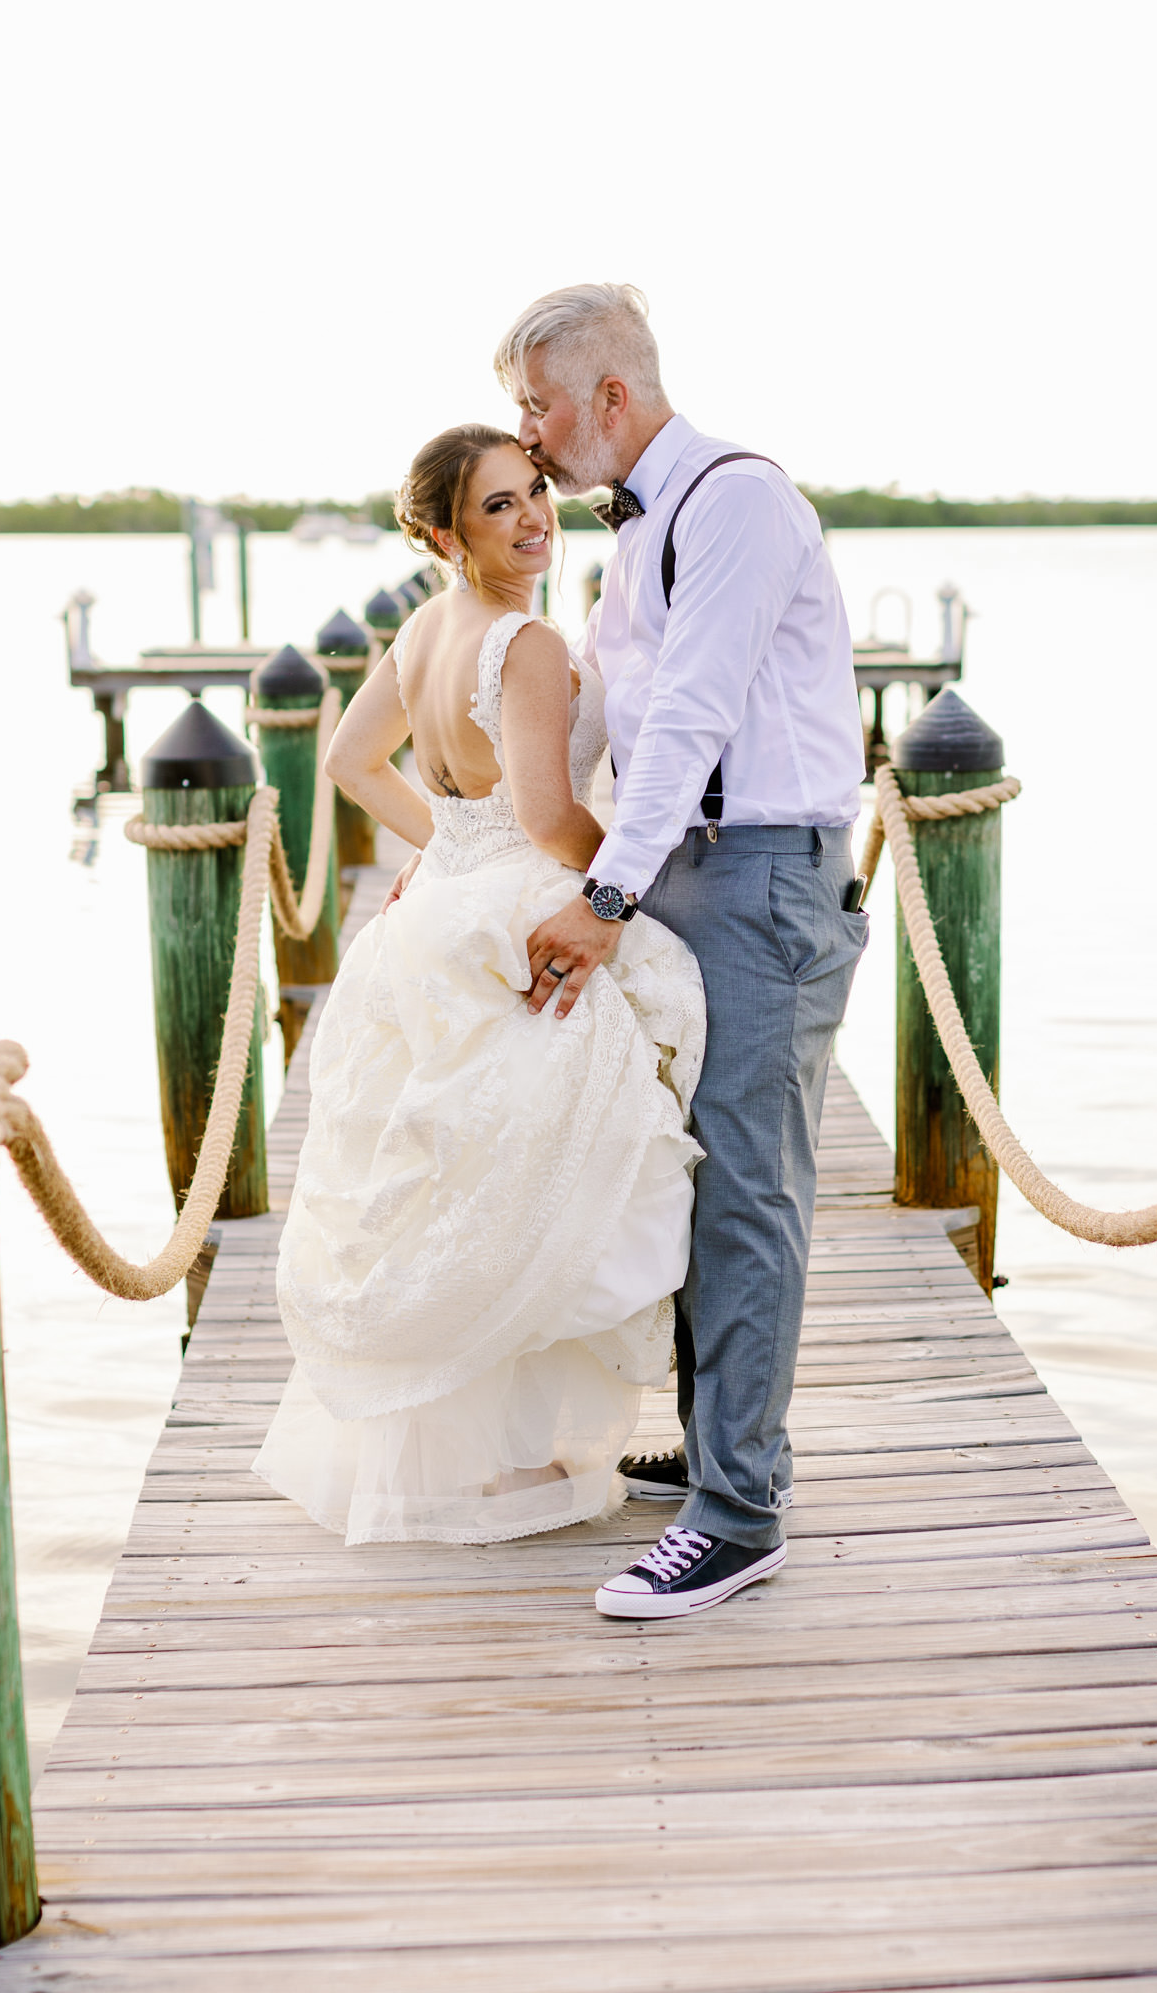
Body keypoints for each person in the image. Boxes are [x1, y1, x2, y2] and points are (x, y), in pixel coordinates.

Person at [253, 424, 706, 1544]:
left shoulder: (418, 630)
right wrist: (629, 881)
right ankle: (517, 1453)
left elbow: (355, 765)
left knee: (472, 1180)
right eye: (500, 506)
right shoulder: (528, 640)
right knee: (536, 1174)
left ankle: (489, 1452)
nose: (534, 517)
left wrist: (445, 848)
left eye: (537, 491)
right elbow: (551, 817)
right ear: (447, 531)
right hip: (522, 913)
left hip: (447, 909)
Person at [494, 284, 868, 1619]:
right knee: (697, 1175)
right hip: (687, 875)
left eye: (535, 407)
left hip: (760, 877)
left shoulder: (737, 503)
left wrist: (600, 897)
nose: (526, 439)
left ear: (609, 396)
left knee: (750, 1191)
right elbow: (601, 715)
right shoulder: (632, 532)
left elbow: (691, 720)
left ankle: (736, 1512)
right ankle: (719, 1445)